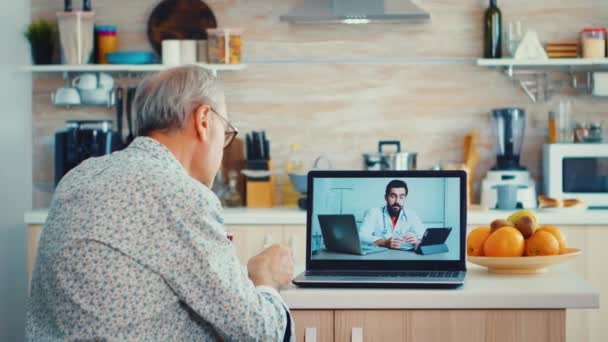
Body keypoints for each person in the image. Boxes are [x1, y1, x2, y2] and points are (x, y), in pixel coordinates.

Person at [26, 65, 294, 341]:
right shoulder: (181, 195)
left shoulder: (78, 176)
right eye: (225, 132)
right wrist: (265, 276)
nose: (221, 150)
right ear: (203, 120)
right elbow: (259, 332)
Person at [359, 179, 425, 249]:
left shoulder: (412, 214)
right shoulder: (373, 212)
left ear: (405, 198)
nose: (397, 201)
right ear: (386, 197)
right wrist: (384, 242)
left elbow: (423, 236)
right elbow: (361, 236)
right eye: (393, 196)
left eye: (401, 197)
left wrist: (418, 241)